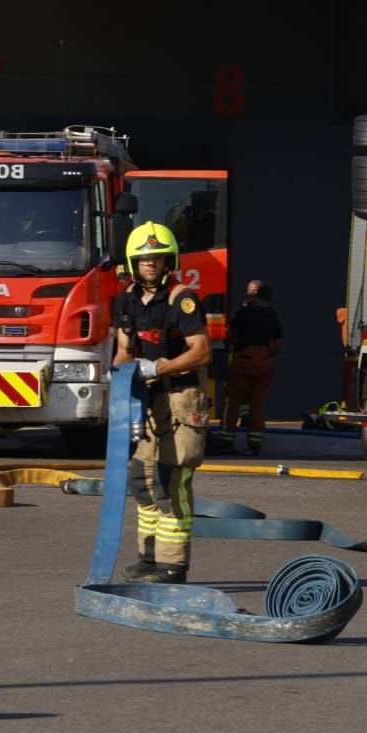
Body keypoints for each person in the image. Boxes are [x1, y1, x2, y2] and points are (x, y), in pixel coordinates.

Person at [112, 222, 212, 584]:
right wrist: (118, 375)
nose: (150, 264)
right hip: (146, 397)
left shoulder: (182, 299)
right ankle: (149, 558)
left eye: (157, 258)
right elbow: (124, 351)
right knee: (141, 480)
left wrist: (160, 366)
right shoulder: (125, 301)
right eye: (144, 259)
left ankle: (174, 565)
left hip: (181, 397)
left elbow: (201, 352)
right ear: (132, 263)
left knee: (172, 479)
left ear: (170, 261)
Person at [216, 280, 283, 456]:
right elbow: (277, 345)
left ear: (254, 295)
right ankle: (254, 444)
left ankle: (226, 442)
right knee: (258, 403)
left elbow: (230, 334)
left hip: (242, 361)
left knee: (232, 402)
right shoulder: (272, 315)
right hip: (264, 363)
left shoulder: (244, 312)